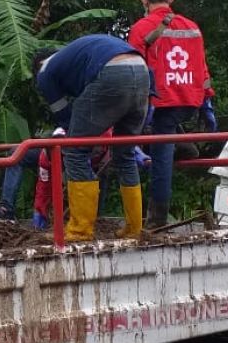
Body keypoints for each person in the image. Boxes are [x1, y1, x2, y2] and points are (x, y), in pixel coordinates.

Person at [32, 35, 151, 241]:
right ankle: (134, 228)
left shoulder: (44, 73)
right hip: (142, 72)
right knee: (125, 155)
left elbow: (64, 117)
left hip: (112, 72)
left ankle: (80, 230)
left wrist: (84, 139)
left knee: (74, 151)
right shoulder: (74, 60)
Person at [128, 0, 217, 228]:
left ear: (145, 0)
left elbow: (135, 70)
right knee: (166, 138)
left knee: (160, 158)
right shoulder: (192, 27)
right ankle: (184, 144)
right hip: (189, 101)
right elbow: (202, 68)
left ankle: (156, 219)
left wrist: (135, 107)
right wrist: (207, 104)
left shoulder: (141, 28)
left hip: (162, 105)